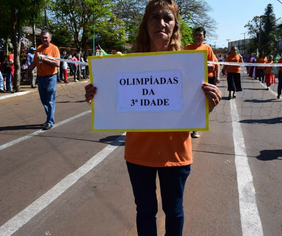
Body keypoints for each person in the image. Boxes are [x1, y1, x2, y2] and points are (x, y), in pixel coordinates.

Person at [84, 1, 222, 235]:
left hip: (176, 153)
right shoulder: (126, 64)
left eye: (167, 18)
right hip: (139, 154)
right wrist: (97, 96)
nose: (161, 23)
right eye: (154, 17)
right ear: (145, 25)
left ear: (175, 26)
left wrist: (209, 105)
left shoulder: (189, 64)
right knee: (145, 211)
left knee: (174, 209)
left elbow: (193, 112)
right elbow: (113, 105)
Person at [184, 27, 219, 138]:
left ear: (204, 37)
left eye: (200, 35)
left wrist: (201, 64)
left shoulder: (207, 48)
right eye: (196, 35)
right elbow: (183, 62)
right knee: (191, 104)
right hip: (192, 80)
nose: (198, 37)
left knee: (206, 104)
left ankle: (198, 124)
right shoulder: (188, 48)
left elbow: (213, 64)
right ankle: (193, 128)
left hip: (207, 80)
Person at [25, 30, 60, 130]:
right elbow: (34, 62)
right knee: (44, 100)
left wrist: (44, 59)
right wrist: (27, 72)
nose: (44, 39)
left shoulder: (54, 48)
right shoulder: (39, 49)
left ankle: (49, 121)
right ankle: (50, 118)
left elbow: (57, 63)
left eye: (46, 37)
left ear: (50, 38)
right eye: (43, 37)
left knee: (50, 100)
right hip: (41, 78)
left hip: (51, 77)